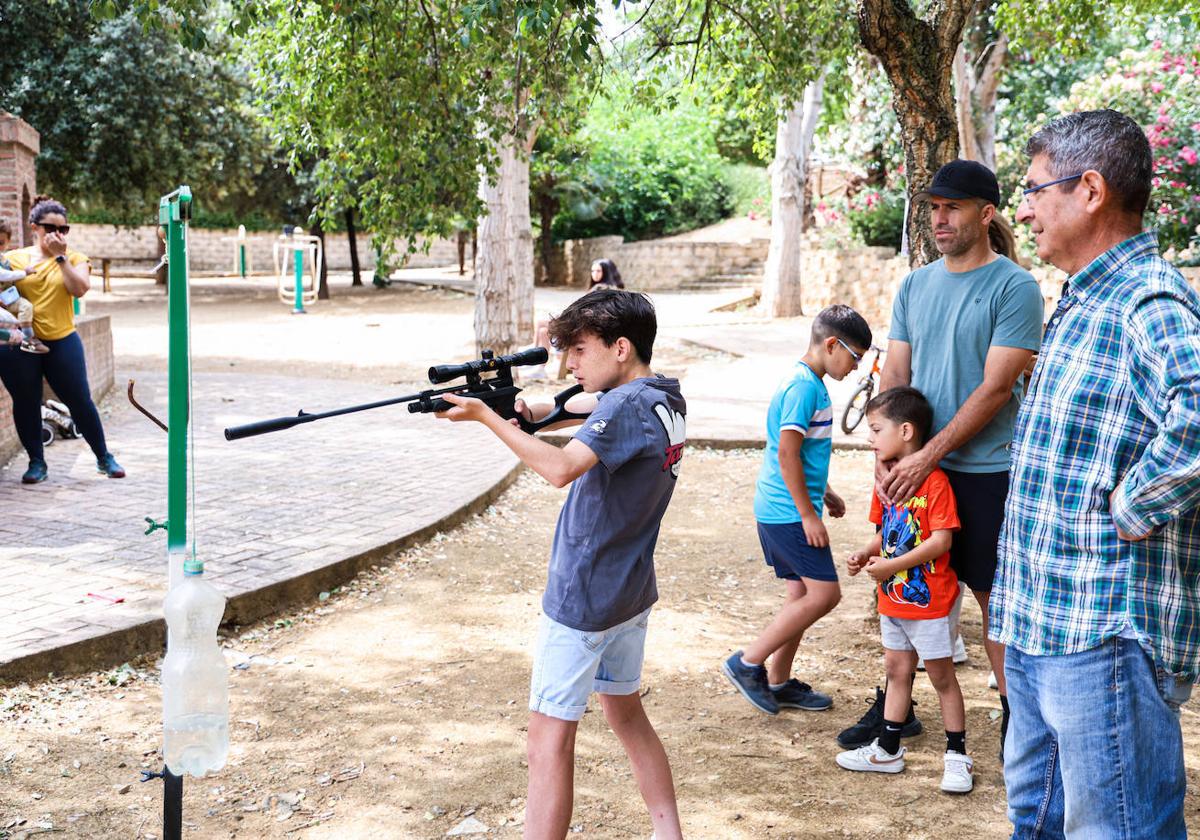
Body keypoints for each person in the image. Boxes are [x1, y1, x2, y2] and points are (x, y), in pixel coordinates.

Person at [992, 109, 1200, 839]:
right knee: (1039, 822)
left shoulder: (1147, 296)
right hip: (1040, 622)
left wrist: (1130, 508)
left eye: (1033, 189)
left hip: (1103, 632)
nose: (1020, 209)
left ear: (1089, 191)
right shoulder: (1087, 297)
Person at [435, 288, 685, 840]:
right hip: (629, 592)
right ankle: (670, 833)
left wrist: (485, 417)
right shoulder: (662, 397)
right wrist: (527, 414)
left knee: (547, 740)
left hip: (583, 598)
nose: (570, 362)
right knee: (625, 715)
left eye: (579, 349)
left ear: (620, 348)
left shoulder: (620, 405)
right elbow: (585, 410)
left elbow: (562, 468)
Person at [836, 160, 1043, 756]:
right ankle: (897, 707)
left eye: (953, 207)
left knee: (990, 596)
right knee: (903, 579)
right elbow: (897, 377)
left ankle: (1016, 719)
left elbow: (997, 388)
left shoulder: (1015, 287)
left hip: (988, 471)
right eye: (933, 207)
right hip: (916, 464)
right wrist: (885, 451)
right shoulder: (915, 285)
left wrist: (928, 454)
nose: (939, 218)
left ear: (987, 213)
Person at [721, 305, 872, 715]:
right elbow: (786, 453)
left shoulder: (809, 383)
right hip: (787, 512)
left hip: (783, 507)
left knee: (801, 594)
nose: (856, 368)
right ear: (830, 344)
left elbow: (802, 454)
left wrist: (825, 491)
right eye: (854, 357)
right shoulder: (803, 387)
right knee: (825, 594)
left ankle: (779, 680)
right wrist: (808, 514)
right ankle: (747, 662)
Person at [836, 386, 972, 793]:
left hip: (929, 602)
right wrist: (866, 552)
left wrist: (891, 566)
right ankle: (889, 749)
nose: (870, 438)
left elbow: (940, 542)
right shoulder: (888, 482)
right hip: (892, 599)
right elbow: (888, 534)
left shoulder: (934, 483)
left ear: (907, 431)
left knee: (941, 678)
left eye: (877, 429)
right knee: (897, 673)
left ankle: (957, 756)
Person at [0, 196, 125, 484]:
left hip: (61, 341)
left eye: (63, 229)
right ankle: (36, 463)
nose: (58, 235)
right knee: (26, 401)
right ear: (34, 227)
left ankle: (103, 457)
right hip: (19, 346)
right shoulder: (14, 259)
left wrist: (60, 258)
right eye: (50, 228)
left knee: (80, 400)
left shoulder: (76, 258)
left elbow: (79, 288)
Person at [527, 258, 625, 380]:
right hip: (583, 323)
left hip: (584, 326)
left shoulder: (603, 289)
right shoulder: (603, 288)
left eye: (598, 271)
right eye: (593, 271)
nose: (594, 274)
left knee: (543, 328)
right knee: (542, 329)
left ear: (606, 272)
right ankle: (538, 363)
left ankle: (537, 362)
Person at [0, 221, 48, 354]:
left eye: (1, 243)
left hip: (7, 297)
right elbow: (3, 275)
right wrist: (24, 273)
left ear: (8, 242)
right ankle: (25, 339)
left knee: (25, 307)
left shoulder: (6, 259)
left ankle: (26, 338)